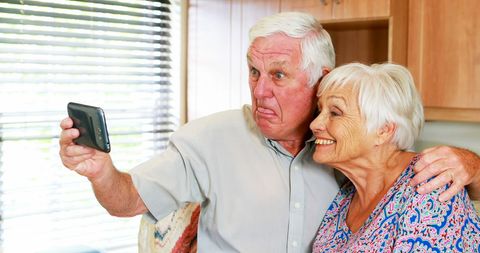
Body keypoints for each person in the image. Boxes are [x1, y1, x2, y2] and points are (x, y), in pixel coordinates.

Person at [59, 12, 480, 252]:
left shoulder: (352, 150)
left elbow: (423, 176)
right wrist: (101, 171)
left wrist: (472, 164)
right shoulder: (211, 137)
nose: (260, 90)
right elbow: (129, 198)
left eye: (278, 75)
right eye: (254, 71)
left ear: (322, 79)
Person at [310, 63, 480, 252]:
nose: (315, 124)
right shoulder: (347, 193)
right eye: (320, 111)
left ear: (383, 130)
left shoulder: (428, 189)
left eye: (335, 113)